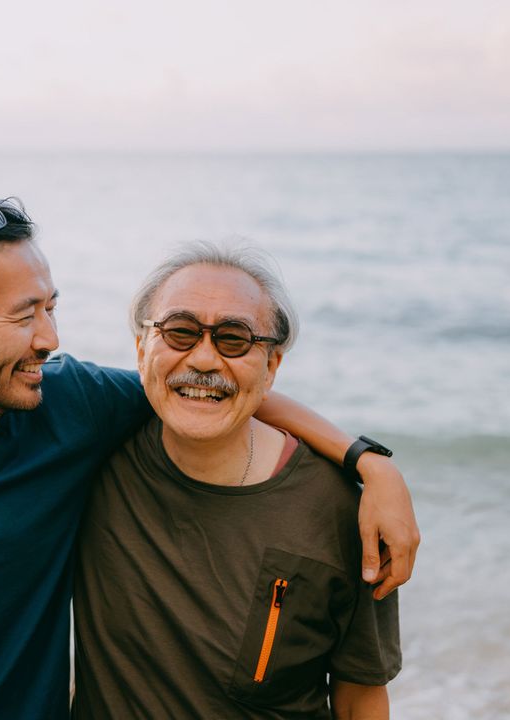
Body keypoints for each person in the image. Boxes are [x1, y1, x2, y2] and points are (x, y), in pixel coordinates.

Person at [0, 196, 418, 719]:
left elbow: (205, 384)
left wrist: (367, 463)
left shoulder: (68, 405)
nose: (50, 338)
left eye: (52, 308)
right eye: (25, 316)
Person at [72, 243, 399, 718]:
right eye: (180, 332)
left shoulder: (342, 511)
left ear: (271, 367)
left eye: (234, 339)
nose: (204, 359)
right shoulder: (91, 452)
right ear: (142, 348)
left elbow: (360, 696)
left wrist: (373, 465)